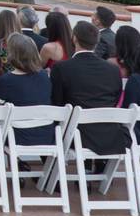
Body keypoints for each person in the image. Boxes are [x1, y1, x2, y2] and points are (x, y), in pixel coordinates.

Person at [50, 21, 130, 155]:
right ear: (96, 42)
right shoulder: (112, 70)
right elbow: (115, 99)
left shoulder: (61, 68)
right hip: (110, 134)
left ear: (74, 38)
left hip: (77, 134)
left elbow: (57, 102)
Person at [0, 33, 52, 145]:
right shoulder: (45, 76)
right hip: (46, 135)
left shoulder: (6, 80)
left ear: (12, 54)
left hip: (15, 137)